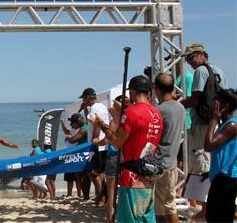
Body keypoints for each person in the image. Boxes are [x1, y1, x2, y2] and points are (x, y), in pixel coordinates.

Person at [92, 75, 163, 223]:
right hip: (149, 173)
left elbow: (117, 142)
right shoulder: (157, 113)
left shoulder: (132, 112)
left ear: (132, 91)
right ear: (149, 92)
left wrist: (101, 125)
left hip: (132, 176)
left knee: (130, 218)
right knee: (146, 217)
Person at [180, 43, 228, 220]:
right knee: (211, 163)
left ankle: (205, 207)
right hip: (216, 122)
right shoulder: (219, 71)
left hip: (202, 123)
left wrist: (175, 105)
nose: (189, 62)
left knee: (202, 163)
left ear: (201, 55)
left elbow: (195, 99)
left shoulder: (201, 71)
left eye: (191, 57)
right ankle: (207, 205)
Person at [153, 73, 185, 223]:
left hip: (160, 164)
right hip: (171, 163)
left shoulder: (160, 110)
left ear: (156, 88)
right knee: (168, 204)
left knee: (162, 208)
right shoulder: (180, 107)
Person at [203, 89, 237, 223]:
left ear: (225, 105)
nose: (212, 104)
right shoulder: (225, 125)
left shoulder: (232, 126)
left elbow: (209, 145)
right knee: (213, 216)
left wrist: (213, 120)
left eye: (216, 101)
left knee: (218, 217)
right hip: (221, 177)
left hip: (227, 178)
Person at [80, 87, 110, 206]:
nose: (83, 100)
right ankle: (102, 195)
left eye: (84, 98)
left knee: (93, 171)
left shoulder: (95, 107)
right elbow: (91, 121)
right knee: (100, 171)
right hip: (104, 144)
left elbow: (97, 123)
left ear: (88, 97)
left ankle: (100, 195)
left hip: (98, 144)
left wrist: (94, 139)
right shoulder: (101, 106)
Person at [61, 113, 89, 198]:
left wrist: (68, 138)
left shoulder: (83, 129)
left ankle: (84, 195)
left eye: (73, 123)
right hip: (82, 154)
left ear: (78, 121)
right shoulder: (86, 125)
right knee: (81, 176)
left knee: (81, 176)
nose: (72, 125)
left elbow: (73, 140)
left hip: (82, 155)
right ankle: (84, 195)